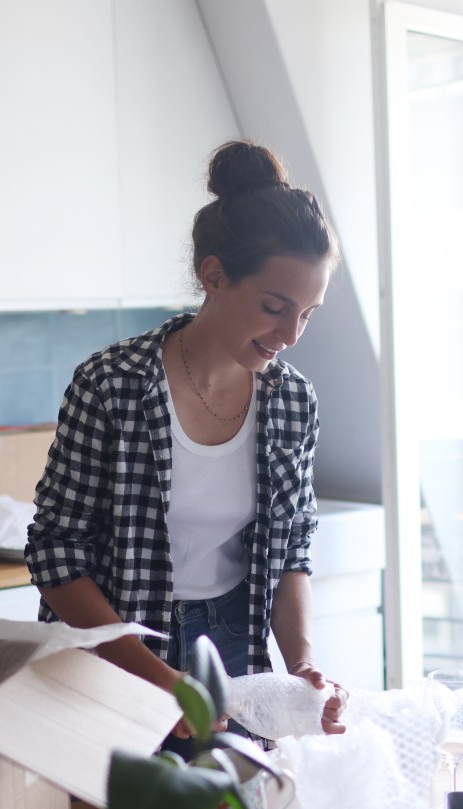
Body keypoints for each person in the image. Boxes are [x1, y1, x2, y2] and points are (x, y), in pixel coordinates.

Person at [27, 140, 347, 735]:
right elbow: (57, 553)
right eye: (275, 307)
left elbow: (291, 551)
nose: (292, 333)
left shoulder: (292, 401)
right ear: (214, 276)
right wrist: (158, 678)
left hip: (232, 643)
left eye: (307, 312)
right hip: (117, 646)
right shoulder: (113, 385)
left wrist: (302, 665)